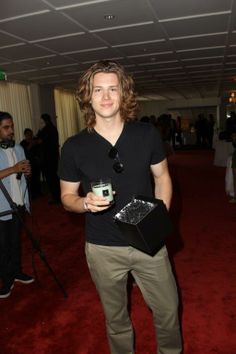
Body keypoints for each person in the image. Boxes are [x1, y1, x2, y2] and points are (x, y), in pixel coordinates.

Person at [59, 61, 182, 354]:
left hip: (147, 241)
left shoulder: (146, 134)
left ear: (123, 93)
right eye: (97, 89)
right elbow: (66, 197)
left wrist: (157, 219)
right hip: (103, 248)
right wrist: (84, 202)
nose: (105, 96)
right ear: (87, 96)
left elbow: (162, 178)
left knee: (168, 312)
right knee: (116, 320)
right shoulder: (74, 146)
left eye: (112, 89)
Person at [0, 112, 34, 299]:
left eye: (11, 126)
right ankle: (6, 280)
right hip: (1, 207)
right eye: (6, 127)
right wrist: (14, 169)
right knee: (2, 246)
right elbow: (12, 170)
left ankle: (17, 271)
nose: (11, 131)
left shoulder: (19, 148)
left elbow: (23, 172)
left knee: (15, 242)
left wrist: (27, 172)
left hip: (18, 203)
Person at [36, 113, 61, 204]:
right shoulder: (53, 128)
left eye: (42, 121)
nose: (40, 122)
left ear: (45, 120)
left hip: (48, 158)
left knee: (51, 179)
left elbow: (39, 141)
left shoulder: (46, 129)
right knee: (54, 177)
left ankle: (56, 198)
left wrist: (39, 131)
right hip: (53, 156)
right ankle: (57, 196)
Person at [20, 128, 42, 198]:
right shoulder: (22, 143)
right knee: (31, 180)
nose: (30, 136)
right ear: (25, 135)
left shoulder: (34, 140)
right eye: (29, 134)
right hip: (28, 164)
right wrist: (30, 145)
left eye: (31, 134)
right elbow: (24, 153)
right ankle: (32, 194)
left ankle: (38, 192)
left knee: (37, 178)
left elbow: (39, 148)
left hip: (36, 163)